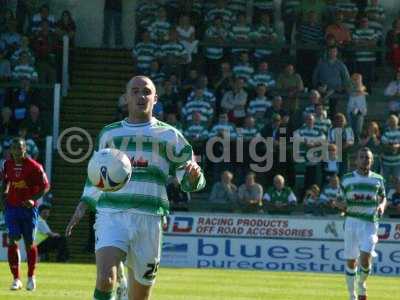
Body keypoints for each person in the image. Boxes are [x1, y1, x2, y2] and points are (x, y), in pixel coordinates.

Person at [74, 76, 205, 300]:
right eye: (134, 91)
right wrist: (85, 202)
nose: (140, 96)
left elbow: (190, 179)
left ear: (155, 98)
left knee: (139, 296)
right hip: (112, 214)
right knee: (105, 278)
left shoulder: (170, 136)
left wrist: (193, 178)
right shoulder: (109, 134)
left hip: (150, 218)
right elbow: (97, 174)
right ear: (126, 98)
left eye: (146, 91)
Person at [331, 147, 386, 300]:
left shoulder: (378, 179)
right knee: (351, 261)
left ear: (372, 161)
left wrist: (381, 207)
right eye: (361, 157)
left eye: (367, 158)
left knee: (366, 258)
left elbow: (383, 198)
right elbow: (338, 200)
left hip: (369, 223)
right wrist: (339, 205)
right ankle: (352, 295)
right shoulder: (347, 179)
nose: (364, 160)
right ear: (356, 160)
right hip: (351, 222)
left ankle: (361, 284)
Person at [2, 137, 50, 291]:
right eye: (14, 148)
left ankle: (31, 277)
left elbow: (45, 186)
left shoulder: (34, 166)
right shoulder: (7, 164)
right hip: (11, 208)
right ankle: (16, 279)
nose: (16, 151)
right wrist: (3, 199)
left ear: (25, 149)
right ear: (11, 150)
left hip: (28, 210)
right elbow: (6, 182)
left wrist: (32, 199)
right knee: (13, 240)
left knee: (29, 243)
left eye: (19, 148)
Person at [65, 187, 128, 300]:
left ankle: (122, 283)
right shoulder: (95, 172)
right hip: (106, 220)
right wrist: (73, 221)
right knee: (107, 267)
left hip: (133, 216)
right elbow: (85, 201)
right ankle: (122, 284)